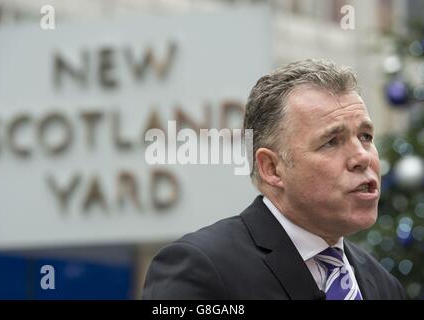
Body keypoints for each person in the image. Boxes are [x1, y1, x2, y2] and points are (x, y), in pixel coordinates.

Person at [142, 59, 407, 300]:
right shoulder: (201, 268)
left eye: (366, 137)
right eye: (331, 142)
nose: (362, 157)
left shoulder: (384, 285)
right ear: (272, 168)